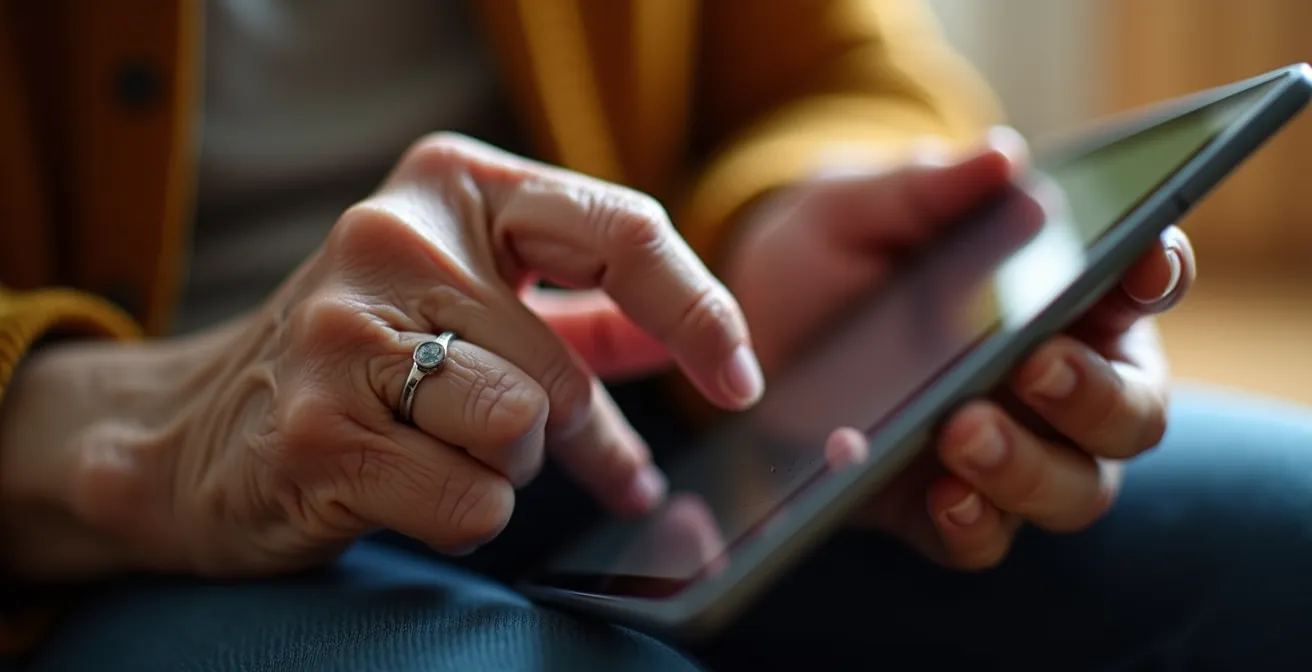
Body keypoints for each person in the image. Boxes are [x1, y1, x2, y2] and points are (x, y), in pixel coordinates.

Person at [2, 1, 1311, 670]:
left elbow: (837, 64)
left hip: (644, 420)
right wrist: (108, 432)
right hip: (115, 515)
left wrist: (766, 238)